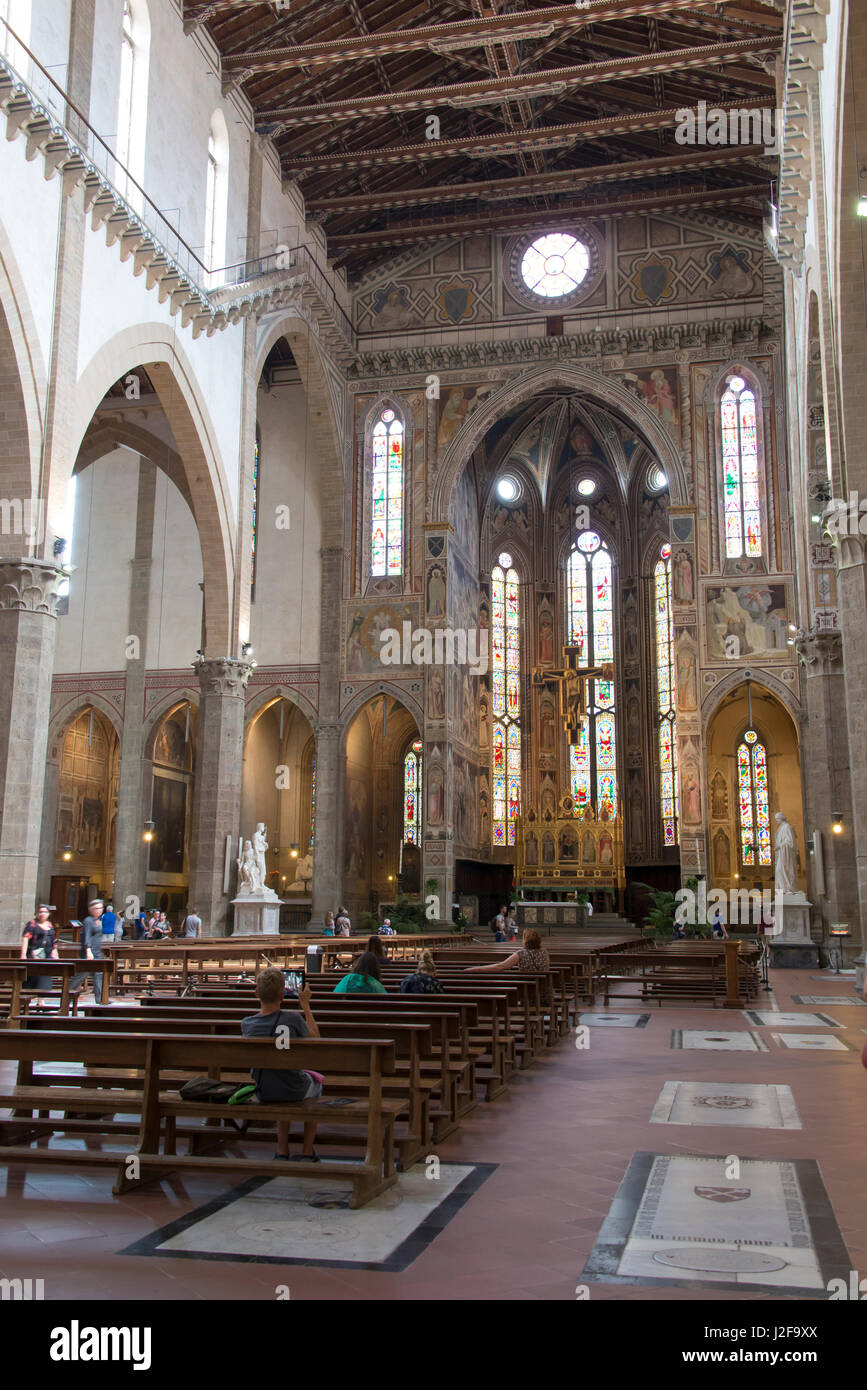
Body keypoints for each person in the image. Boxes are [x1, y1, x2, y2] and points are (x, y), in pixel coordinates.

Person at [241, 967, 322, 1161]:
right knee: (316, 1083)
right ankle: (308, 1151)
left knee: (277, 1074)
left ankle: (282, 1149)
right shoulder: (292, 1019)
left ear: (256, 993)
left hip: (263, 1089)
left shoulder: (247, 1024)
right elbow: (316, 1039)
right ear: (284, 993)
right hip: (292, 1088)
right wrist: (306, 1005)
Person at [465, 928, 552, 1005]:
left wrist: (476, 969)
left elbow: (500, 966)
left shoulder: (521, 953)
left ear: (525, 940)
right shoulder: (544, 952)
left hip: (527, 995)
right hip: (544, 994)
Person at [20, 905, 59, 992]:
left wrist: (55, 954)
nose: (42, 914)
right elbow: (25, 938)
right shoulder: (32, 924)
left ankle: (41, 1000)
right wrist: (23, 955)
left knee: (44, 979)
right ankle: (28, 999)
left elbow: (53, 941)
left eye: (45, 912)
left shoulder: (49, 925)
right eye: (40, 912)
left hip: (47, 957)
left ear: (49, 914)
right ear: (37, 913)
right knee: (32, 979)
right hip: (34, 956)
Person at [70, 900, 105, 993]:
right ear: (91, 909)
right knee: (81, 974)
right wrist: (88, 951)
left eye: (101, 908)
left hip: (97, 952)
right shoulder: (88, 921)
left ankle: (100, 999)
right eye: (97, 908)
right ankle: (67, 993)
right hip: (89, 953)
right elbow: (87, 936)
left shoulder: (97, 920)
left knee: (98, 974)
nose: (99, 910)